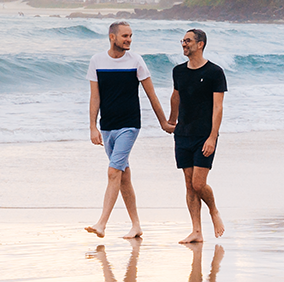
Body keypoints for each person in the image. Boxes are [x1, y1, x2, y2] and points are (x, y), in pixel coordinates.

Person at [84, 21, 168, 239]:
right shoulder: (97, 61)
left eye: (130, 36)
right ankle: (136, 225)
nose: (129, 40)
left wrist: (164, 123)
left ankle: (102, 223)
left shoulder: (136, 61)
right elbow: (95, 97)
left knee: (113, 172)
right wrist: (93, 126)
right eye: (124, 36)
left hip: (129, 125)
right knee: (123, 175)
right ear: (112, 37)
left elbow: (151, 95)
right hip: (108, 126)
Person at [166, 28, 228, 243]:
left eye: (188, 41)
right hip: (183, 134)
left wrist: (212, 137)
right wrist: (171, 121)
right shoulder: (178, 71)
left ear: (200, 44)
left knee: (198, 184)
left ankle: (213, 211)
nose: (184, 44)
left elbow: (218, 108)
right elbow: (176, 97)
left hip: (204, 135)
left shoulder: (214, 72)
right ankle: (196, 231)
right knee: (188, 184)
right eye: (183, 40)